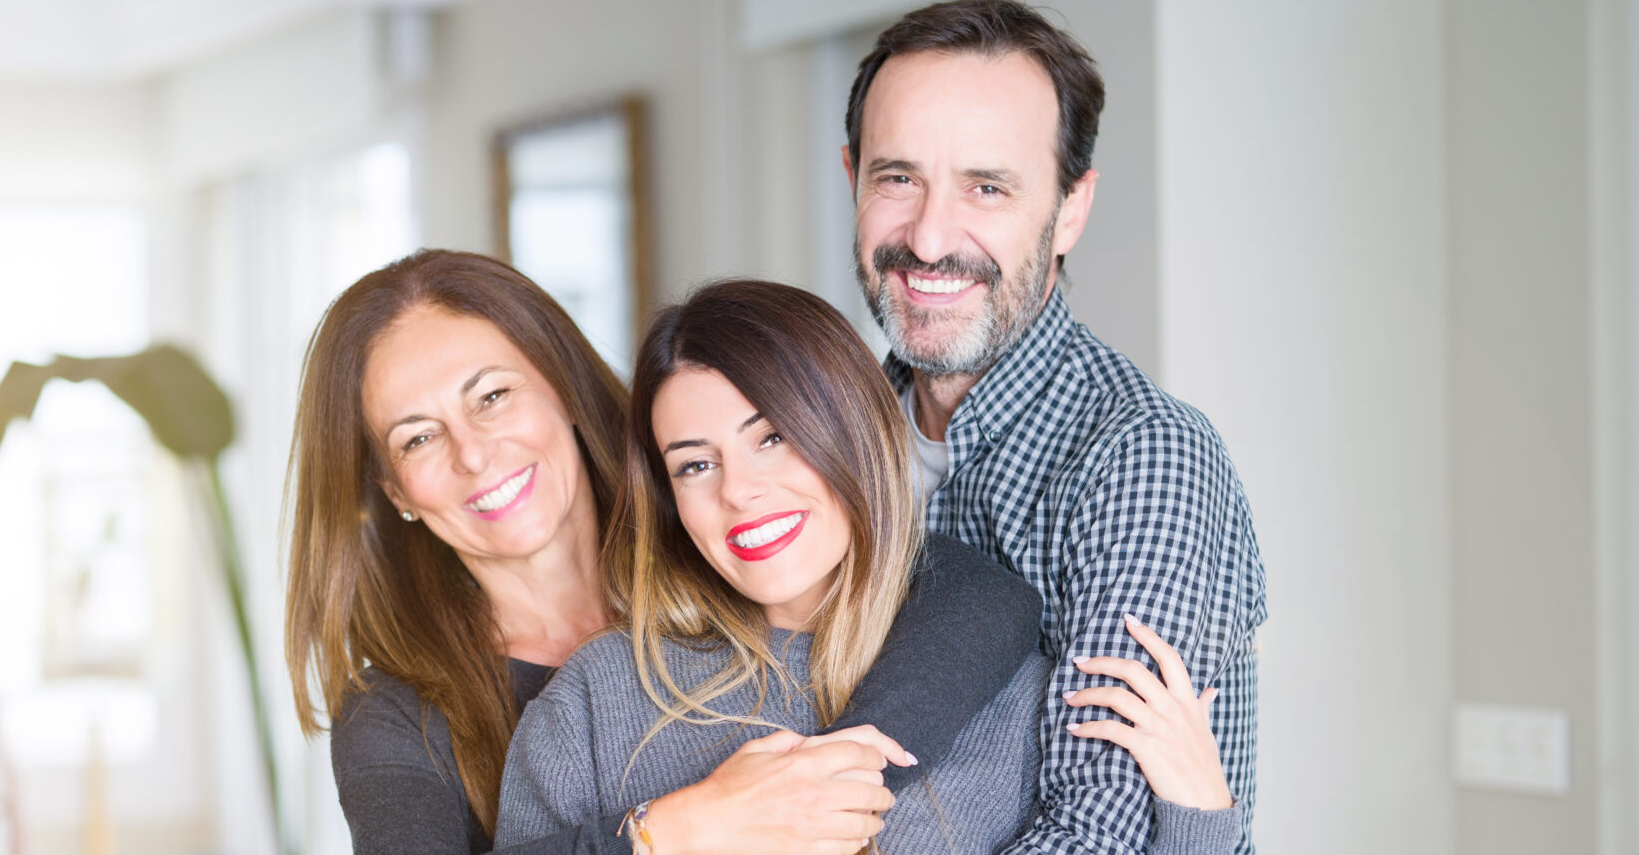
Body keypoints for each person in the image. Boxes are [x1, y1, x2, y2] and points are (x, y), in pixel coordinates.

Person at [281, 250, 1046, 855]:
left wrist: (839, 778)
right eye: (418, 437)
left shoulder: (721, 547)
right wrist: (685, 828)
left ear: (560, 388)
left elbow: (972, 591)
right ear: (395, 489)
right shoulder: (398, 713)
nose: (473, 453)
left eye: (492, 396)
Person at [498, 279, 1242, 854]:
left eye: (772, 437)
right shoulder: (595, 701)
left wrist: (1199, 821)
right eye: (695, 464)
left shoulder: (1016, 701)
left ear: (853, 432)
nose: (738, 491)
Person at [841, 0, 1270, 852]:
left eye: (986, 187)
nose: (928, 236)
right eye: (898, 178)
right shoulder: (825, 443)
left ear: (1070, 209)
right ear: (851, 177)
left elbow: (1101, 832)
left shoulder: (1141, 457)